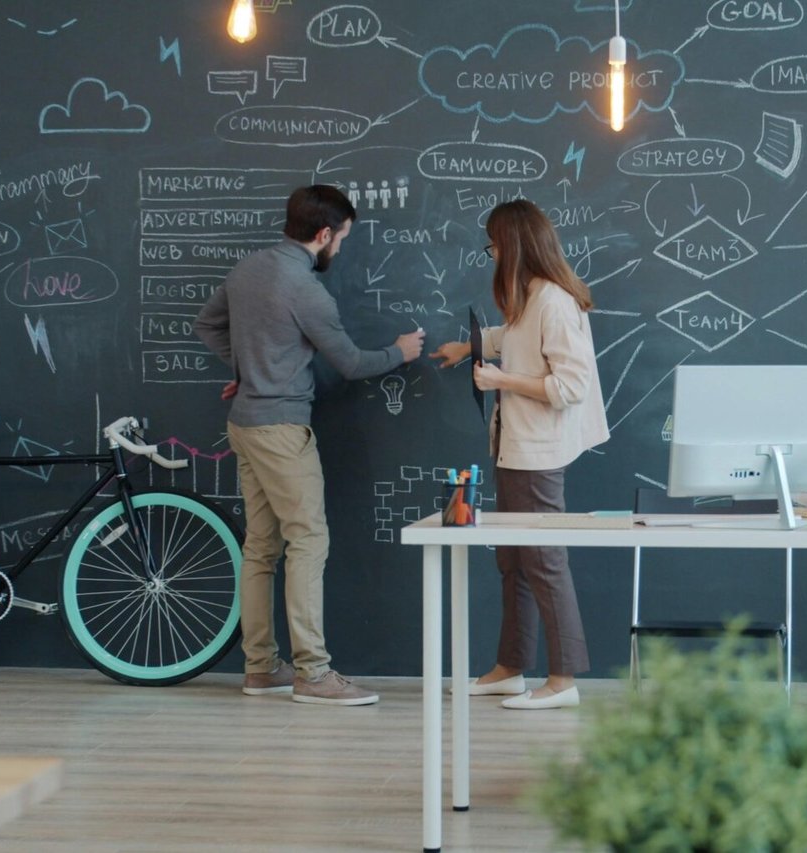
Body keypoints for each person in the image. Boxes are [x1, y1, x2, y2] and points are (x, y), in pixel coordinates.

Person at [195, 184, 425, 706]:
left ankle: (260, 668)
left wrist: (245, 368)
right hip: (280, 430)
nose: (340, 248)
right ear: (323, 235)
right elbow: (351, 363)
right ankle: (313, 673)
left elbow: (206, 324)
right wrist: (400, 351)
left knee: (260, 548)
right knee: (309, 541)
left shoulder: (247, 269)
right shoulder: (306, 290)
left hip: (244, 424)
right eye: (341, 238)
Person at [429, 199, 609, 710]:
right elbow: (513, 337)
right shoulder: (530, 298)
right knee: (514, 561)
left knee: (544, 561)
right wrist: (469, 347)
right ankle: (510, 667)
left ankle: (563, 680)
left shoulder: (552, 300)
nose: (491, 255)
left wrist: (499, 378)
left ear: (513, 245)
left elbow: (571, 385)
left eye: (494, 245)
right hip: (514, 447)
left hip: (536, 453)